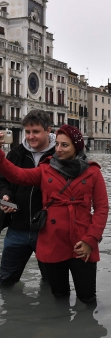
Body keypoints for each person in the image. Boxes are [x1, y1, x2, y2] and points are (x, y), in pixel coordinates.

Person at [0, 124, 109, 303]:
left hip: (82, 243)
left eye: (64, 145)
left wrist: (91, 240)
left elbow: (101, 209)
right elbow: (17, 175)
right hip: (52, 242)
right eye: (57, 144)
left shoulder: (93, 172)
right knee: (59, 296)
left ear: (77, 146)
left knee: (87, 298)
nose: (58, 149)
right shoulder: (46, 170)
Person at [0, 109, 56, 285]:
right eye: (28, 132)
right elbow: (2, 182)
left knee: (51, 282)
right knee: (5, 280)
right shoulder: (15, 153)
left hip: (48, 230)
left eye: (36, 132)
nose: (31, 137)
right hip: (17, 227)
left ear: (48, 130)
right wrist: (5, 198)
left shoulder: (60, 154)